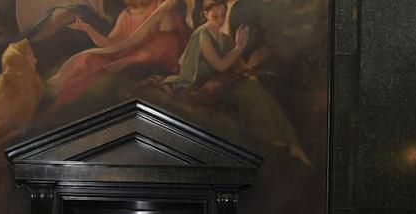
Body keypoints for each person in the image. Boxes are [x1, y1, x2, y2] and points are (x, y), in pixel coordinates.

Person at [163, 0, 311, 165]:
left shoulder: (225, 39)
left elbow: (239, 66)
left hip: (219, 80)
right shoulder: (202, 34)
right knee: (249, 89)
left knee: (255, 84)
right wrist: (239, 48)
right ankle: (273, 136)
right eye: (215, 16)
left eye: (222, 15)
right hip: (200, 83)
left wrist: (252, 63)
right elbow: (220, 66)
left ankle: (292, 142)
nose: (220, 19)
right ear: (205, 15)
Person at [48, 0, 186, 107]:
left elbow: (168, 36)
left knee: (164, 41)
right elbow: (109, 44)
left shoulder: (160, 6)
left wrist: (161, 11)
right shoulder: (125, 15)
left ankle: (129, 60)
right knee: (88, 60)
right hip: (125, 52)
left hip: (156, 54)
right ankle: (60, 101)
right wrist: (88, 29)